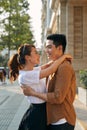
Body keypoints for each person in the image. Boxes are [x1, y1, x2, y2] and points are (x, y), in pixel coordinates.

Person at [8, 43, 72, 130]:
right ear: (28, 58)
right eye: (35, 53)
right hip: (37, 113)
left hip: (42, 109)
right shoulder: (25, 75)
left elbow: (47, 66)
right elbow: (51, 69)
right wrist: (63, 57)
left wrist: (56, 57)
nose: (38, 55)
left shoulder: (32, 70)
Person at [22, 34, 76, 130]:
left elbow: (57, 97)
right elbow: (47, 68)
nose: (46, 51)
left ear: (60, 48)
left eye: (49, 47)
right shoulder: (55, 65)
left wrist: (33, 93)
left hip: (62, 121)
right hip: (53, 119)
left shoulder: (64, 67)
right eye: (46, 47)